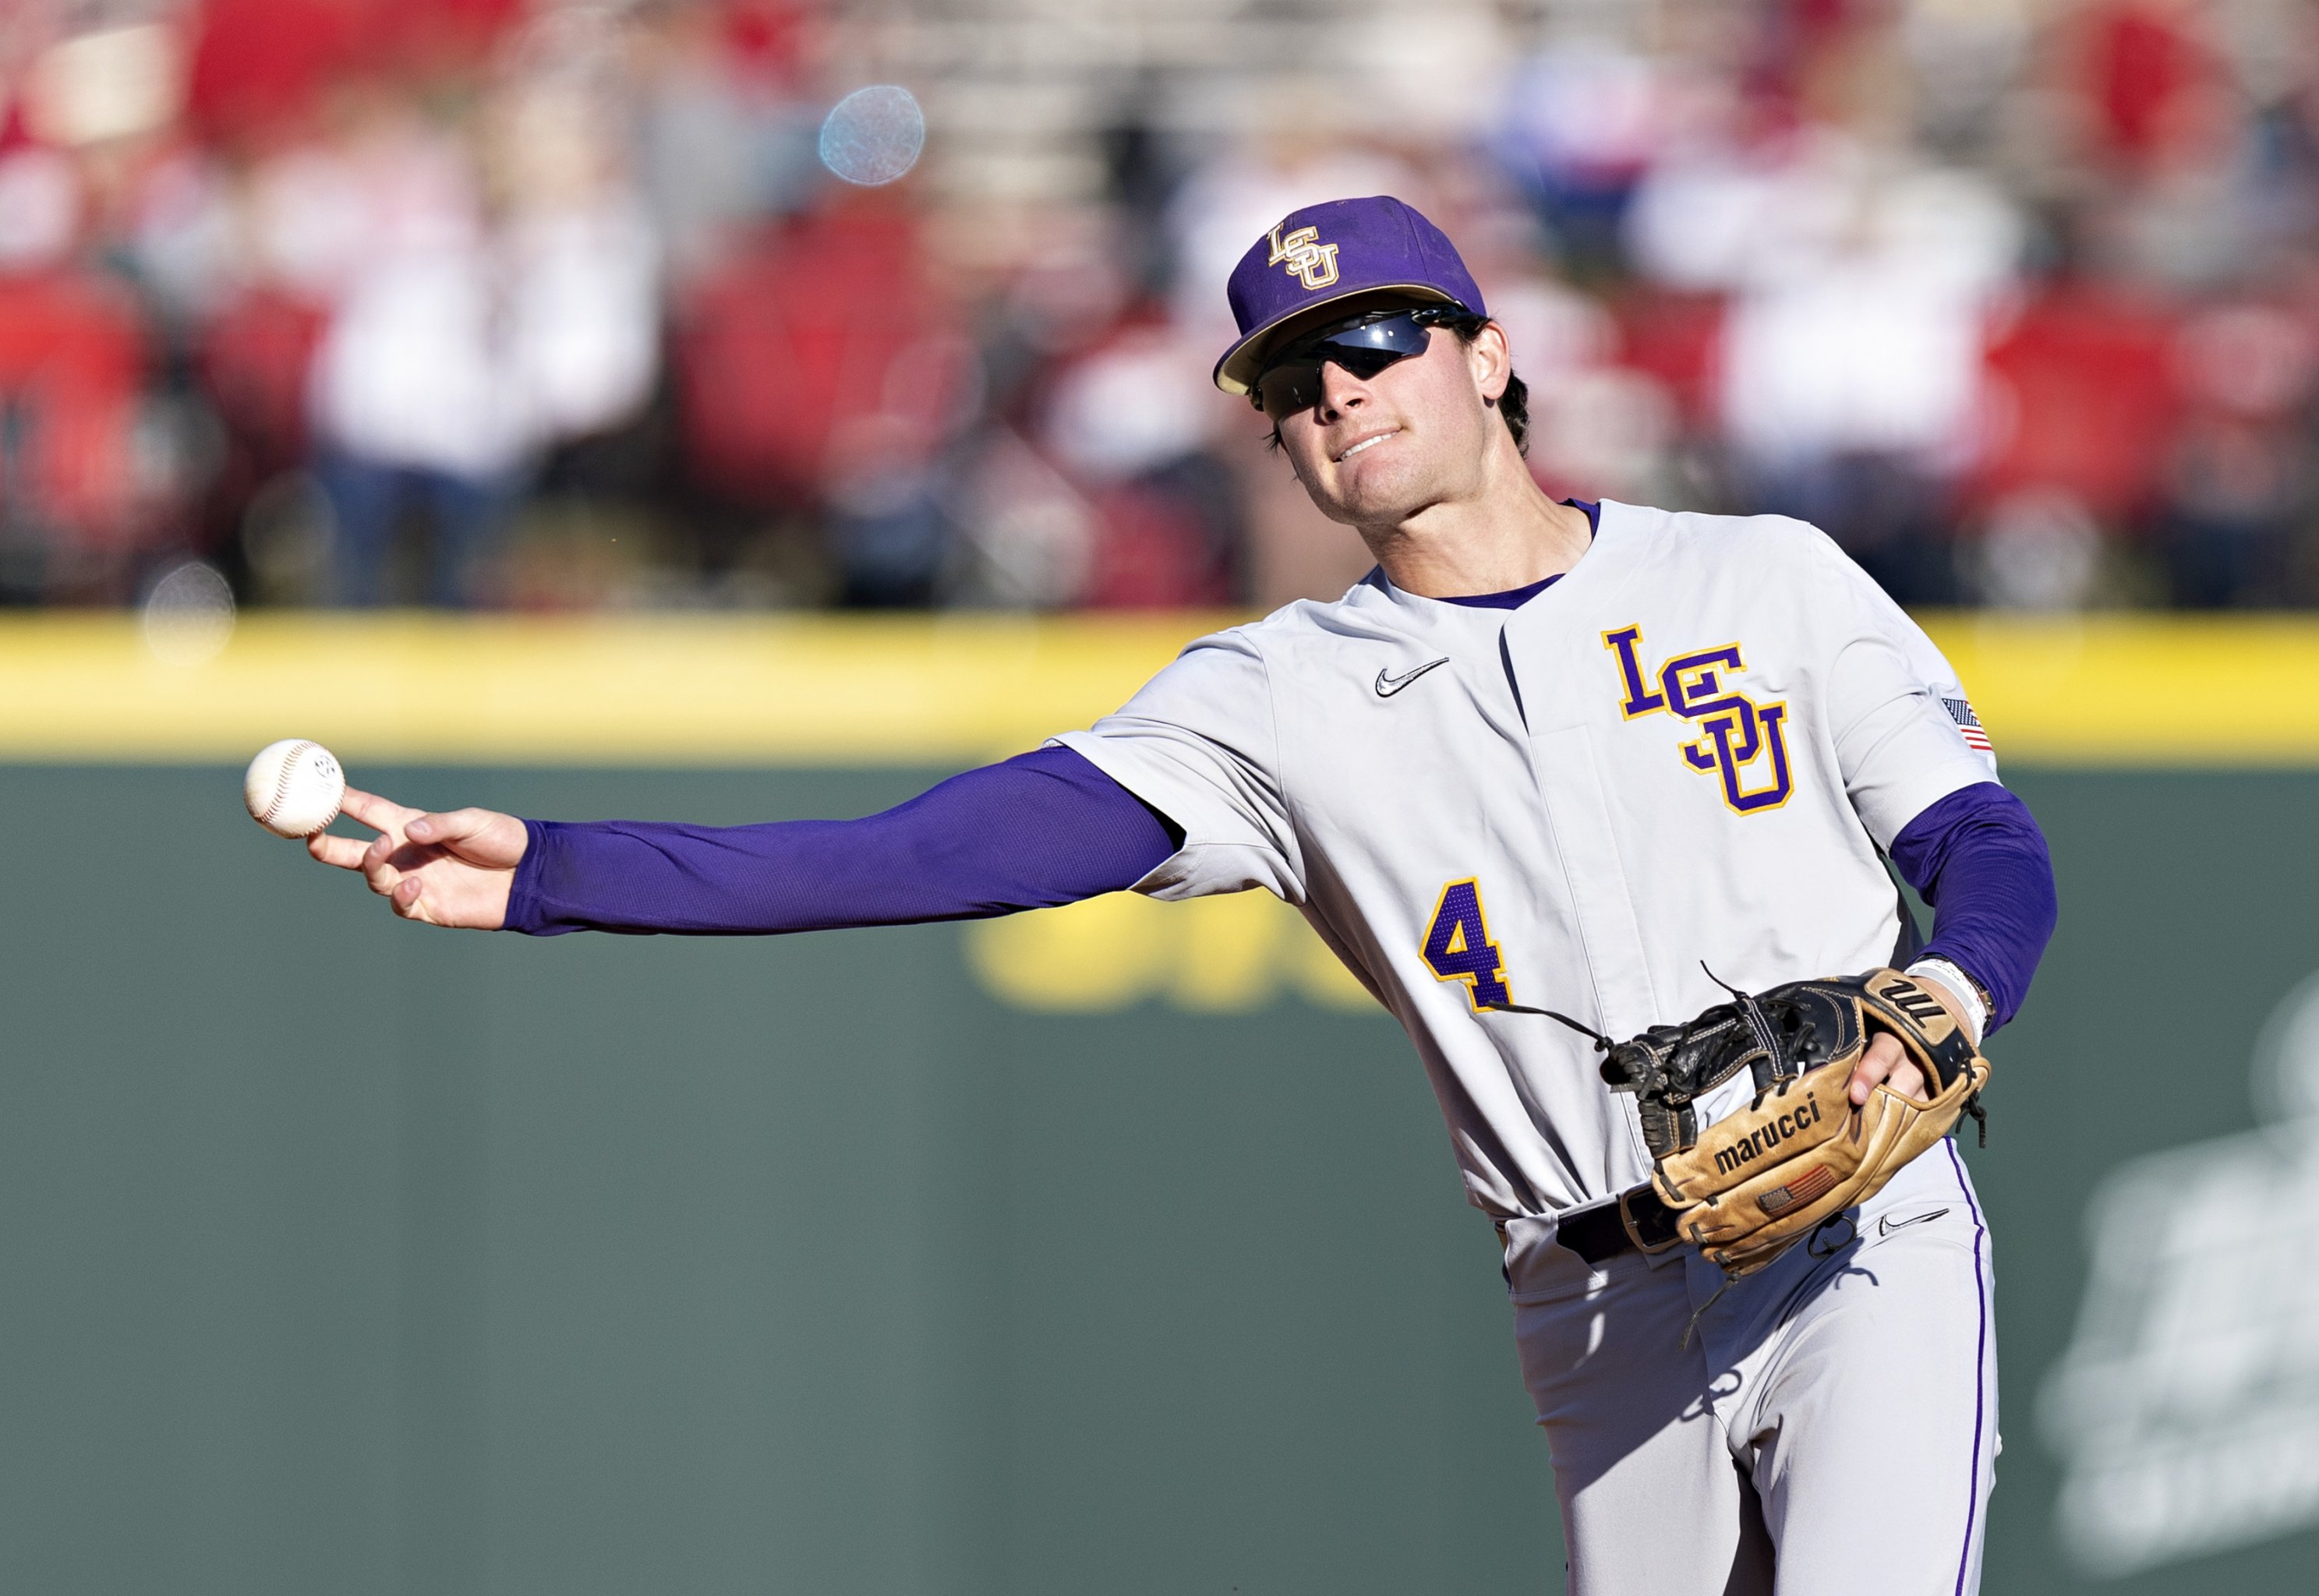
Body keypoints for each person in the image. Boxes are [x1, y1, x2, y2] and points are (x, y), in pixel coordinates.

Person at [306, 196, 2056, 1595]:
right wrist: (561, 871)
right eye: (1291, 383)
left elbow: (1984, 840)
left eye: (1374, 342)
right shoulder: (1273, 699)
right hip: (1591, 1294)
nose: (1338, 395)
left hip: (1861, 1236)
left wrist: (1957, 986)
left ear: (1492, 355)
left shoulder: (1758, 576)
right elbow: (936, 853)